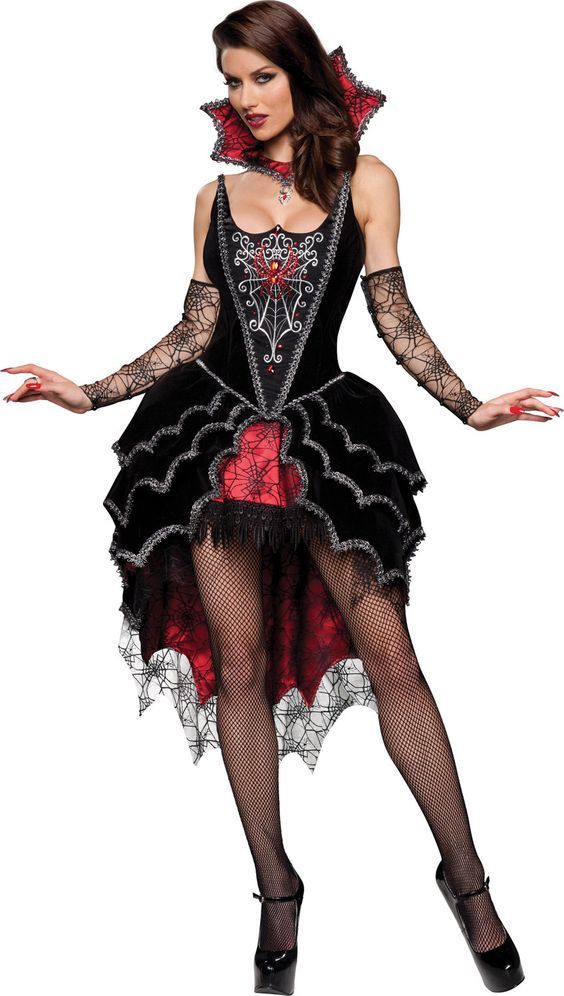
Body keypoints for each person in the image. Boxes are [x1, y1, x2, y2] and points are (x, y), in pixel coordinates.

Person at [3, 2, 558, 992]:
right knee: (241, 665)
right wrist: (89, 391)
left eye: (261, 74)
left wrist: (470, 406)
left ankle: (468, 883)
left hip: (323, 440)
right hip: (211, 443)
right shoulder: (212, 197)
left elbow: (392, 311)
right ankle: (276, 891)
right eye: (232, 78)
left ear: (301, 72)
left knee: (394, 658)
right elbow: (192, 333)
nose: (246, 96)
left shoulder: (366, 180)